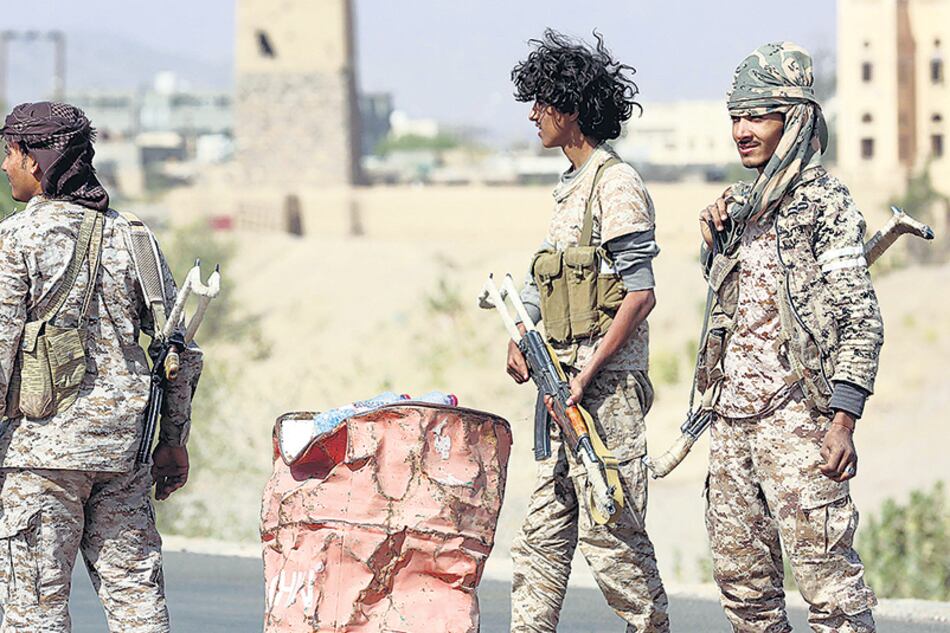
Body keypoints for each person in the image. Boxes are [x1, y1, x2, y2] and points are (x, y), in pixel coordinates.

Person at [696, 43, 881, 632]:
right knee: (744, 592)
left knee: (832, 595)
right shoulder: (741, 206)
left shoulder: (824, 204)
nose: (742, 131)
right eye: (736, 117)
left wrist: (844, 419)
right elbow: (734, 308)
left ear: (794, 118)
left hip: (799, 423)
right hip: (731, 422)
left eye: (758, 116)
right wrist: (714, 240)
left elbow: (861, 319)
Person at [0, 102, 202, 632]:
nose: (5, 166)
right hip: (123, 454)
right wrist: (173, 439)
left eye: (10, 153)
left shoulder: (16, 239)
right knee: (137, 604)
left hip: (40, 458)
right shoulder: (135, 237)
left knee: (35, 611)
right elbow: (176, 350)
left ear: (34, 159)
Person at [506, 30, 668, 632]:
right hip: (564, 386)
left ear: (570, 109)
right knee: (540, 540)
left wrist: (588, 372)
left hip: (606, 394)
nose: (533, 114)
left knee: (615, 539)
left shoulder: (615, 183)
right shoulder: (568, 187)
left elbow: (640, 292)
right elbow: (546, 273)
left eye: (542, 102)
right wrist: (523, 341)